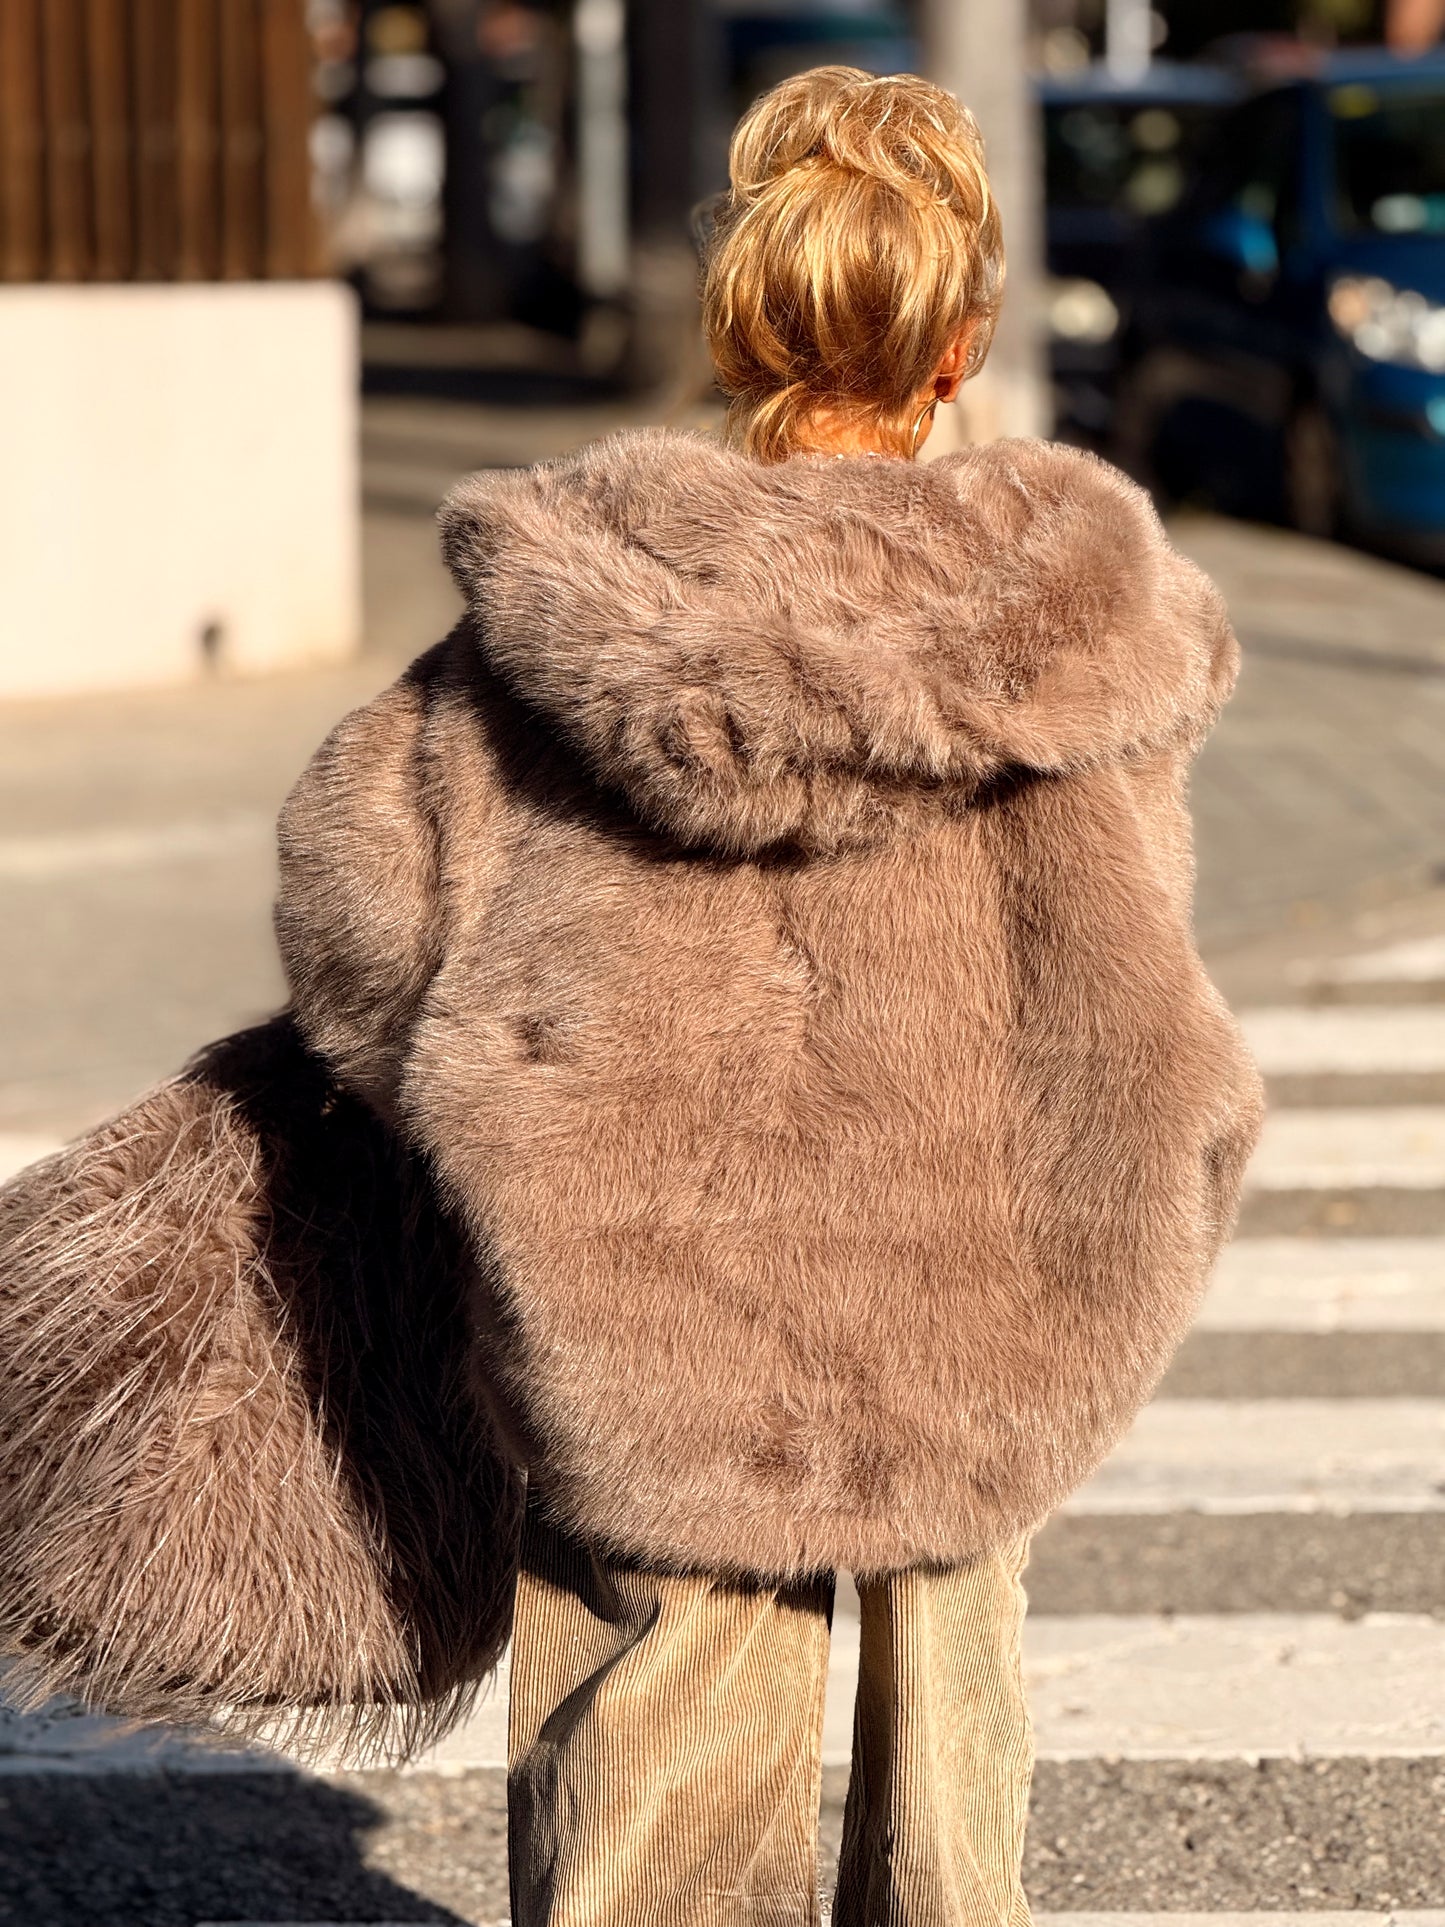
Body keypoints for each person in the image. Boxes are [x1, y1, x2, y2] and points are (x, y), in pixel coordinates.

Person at [274, 64, 1262, 1927]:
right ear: (961, 346)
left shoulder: (567, 614)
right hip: (988, 1305)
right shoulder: (1075, 625)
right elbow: (1150, 986)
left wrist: (481, 1118)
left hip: (637, 1307)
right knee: (949, 1786)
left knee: (646, 1772)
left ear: (740, 332)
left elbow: (355, 912)